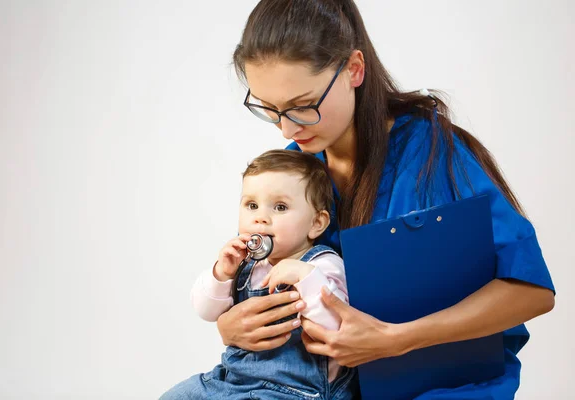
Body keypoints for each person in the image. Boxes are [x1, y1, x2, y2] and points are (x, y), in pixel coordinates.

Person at [213, 0, 556, 399]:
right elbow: (264, 277)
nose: (286, 127)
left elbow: (531, 291)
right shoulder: (296, 172)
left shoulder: (431, 154)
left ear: (354, 69)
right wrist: (232, 325)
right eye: (270, 110)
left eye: (303, 106)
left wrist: (396, 340)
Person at [159, 149, 359, 399]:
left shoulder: (322, 264)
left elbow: (337, 326)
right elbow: (205, 310)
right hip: (235, 380)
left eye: (280, 207)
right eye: (251, 205)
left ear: (316, 223)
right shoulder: (246, 264)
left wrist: (305, 279)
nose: (261, 218)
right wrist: (221, 274)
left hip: (299, 391)